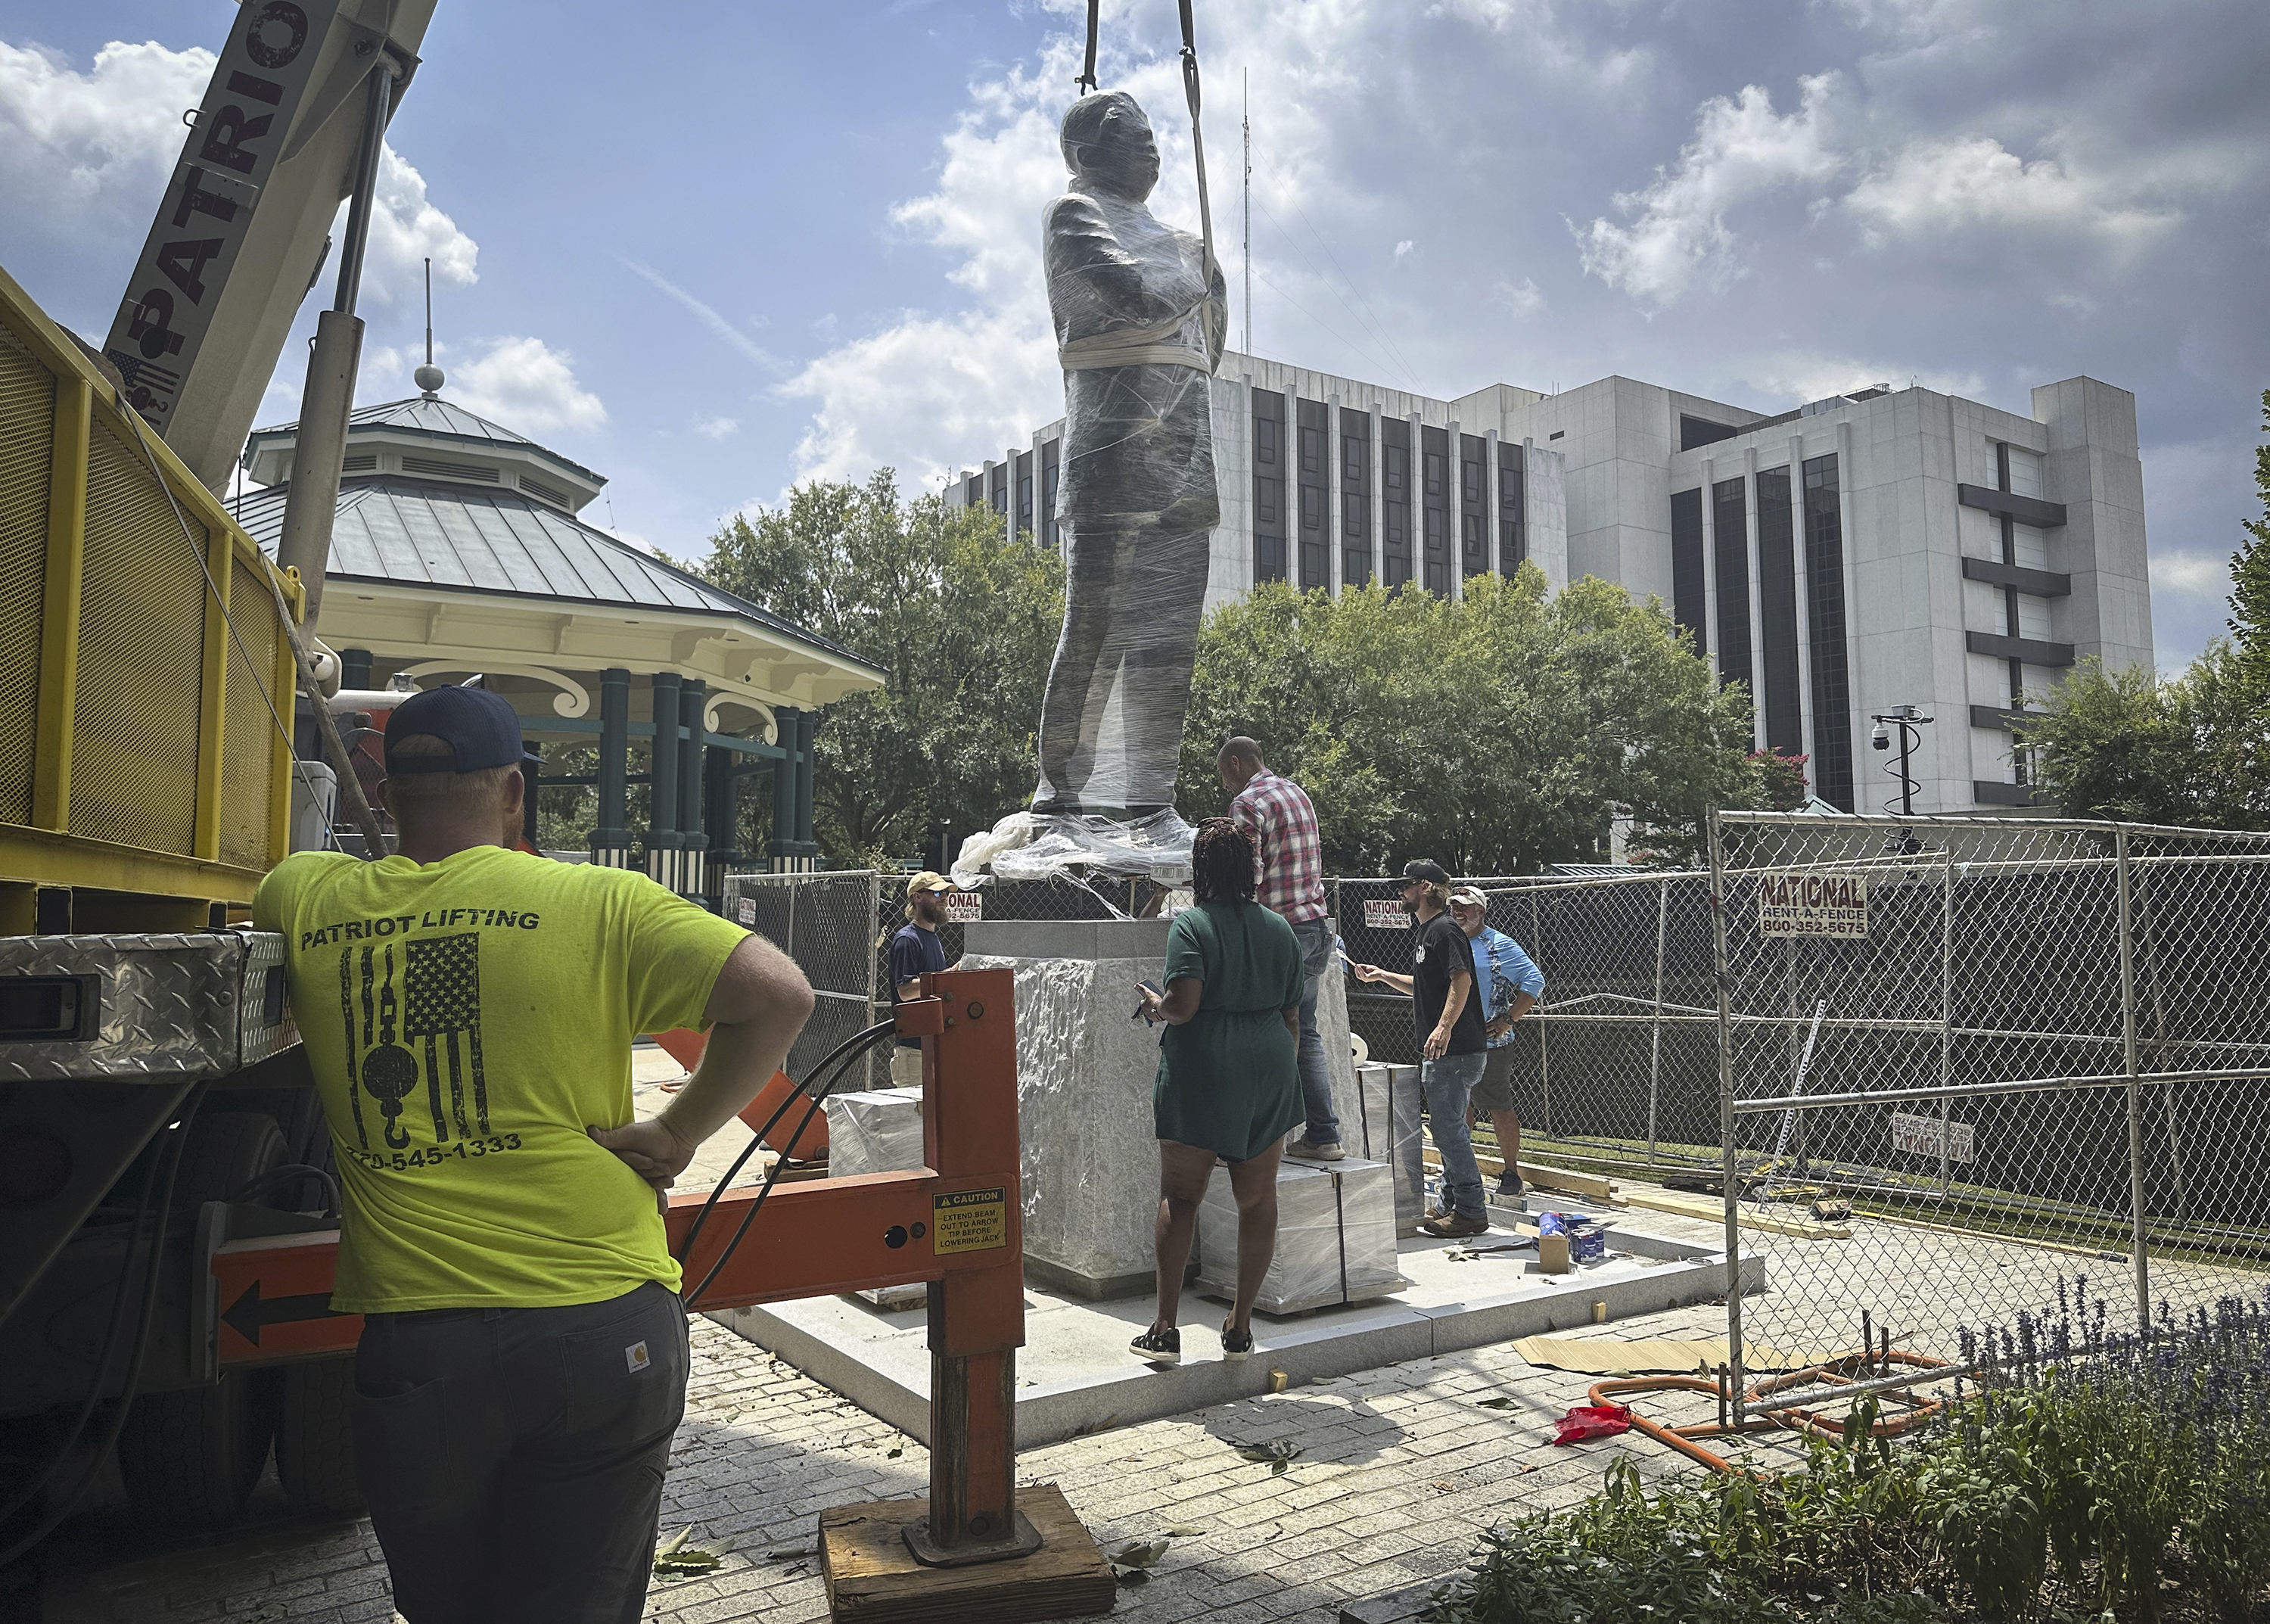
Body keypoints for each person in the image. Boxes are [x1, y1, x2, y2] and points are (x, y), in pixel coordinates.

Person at [254, 685, 813, 1624]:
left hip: (420, 1347)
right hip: (603, 1330)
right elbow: (780, 993)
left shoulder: (302, 898)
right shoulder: (596, 901)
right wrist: (678, 1134)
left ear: (385, 797)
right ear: (514, 793)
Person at [1032, 89, 1226, 813]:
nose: (1150, 146)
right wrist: (1200, 269)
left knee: (1169, 643)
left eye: (1152, 134)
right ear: (1083, 155)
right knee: (1096, 630)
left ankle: (1150, 798)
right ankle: (1064, 796)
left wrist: (1197, 273)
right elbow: (1135, 299)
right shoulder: (1074, 215)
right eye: (1127, 134)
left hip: (1186, 458)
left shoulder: (1184, 240)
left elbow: (1209, 343)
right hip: (1108, 465)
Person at [1129, 818, 1304, 1367]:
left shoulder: (1191, 925)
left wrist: (1155, 1005)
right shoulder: (1281, 928)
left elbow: (1184, 1006)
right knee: (1258, 1199)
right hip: (1271, 1064)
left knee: (1181, 1198)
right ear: (1252, 870)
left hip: (1205, 1067)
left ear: (1200, 871)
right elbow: (1294, 1015)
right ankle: (1240, 1329)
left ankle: (1164, 1331)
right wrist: (1275, 1069)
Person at [1350, 860, 1491, 1238]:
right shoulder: (1429, 931)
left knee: (1447, 1132)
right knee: (1449, 1130)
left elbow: (1461, 980)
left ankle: (1472, 1212)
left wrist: (1444, 1027)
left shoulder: (1444, 929)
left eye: (1406, 885)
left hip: (1455, 1050)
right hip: (1450, 1051)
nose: (1401, 892)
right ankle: (1449, 1205)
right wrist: (1381, 975)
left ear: (1426, 887)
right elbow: (1426, 986)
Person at [1216, 736, 1339, 1162]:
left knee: (1259, 1032)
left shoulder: (1247, 804)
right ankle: (1324, 1134)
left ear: (1235, 763)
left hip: (1278, 933)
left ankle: (1256, 1139)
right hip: (1315, 926)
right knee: (1304, 1033)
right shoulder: (1296, 792)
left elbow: (1246, 875)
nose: (1225, 785)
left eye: (1223, 774)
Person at [1446, 885, 1544, 1202]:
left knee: (1499, 1106)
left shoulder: (1499, 945)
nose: (1458, 912)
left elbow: (1534, 981)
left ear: (1481, 911)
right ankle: (1460, 1173)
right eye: (1454, 907)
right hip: (1452, 1040)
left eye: (1465, 906)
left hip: (1491, 1045)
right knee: (1459, 1108)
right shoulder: (1447, 941)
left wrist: (1508, 1020)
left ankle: (1511, 1173)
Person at [888, 872, 953, 1087]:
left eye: (945, 892)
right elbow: (905, 991)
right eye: (936, 892)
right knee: (917, 1119)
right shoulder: (907, 939)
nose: (944, 897)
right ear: (917, 897)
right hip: (913, 1051)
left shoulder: (933, 939)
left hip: (934, 1047)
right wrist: (948, 976)